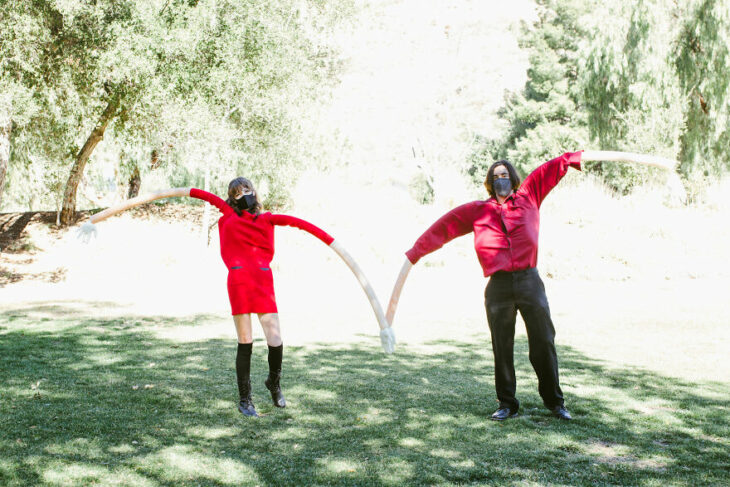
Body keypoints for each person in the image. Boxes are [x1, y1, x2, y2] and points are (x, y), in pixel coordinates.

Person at [404, 151, 583, 421]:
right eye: (495, 176)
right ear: (489, 182)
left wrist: (575, 157)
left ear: (513, 178)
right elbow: (444, 228)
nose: (501, 179)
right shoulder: (478, 211)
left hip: (529, 281)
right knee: (502, 346)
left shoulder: (529, 196)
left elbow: (550, 168)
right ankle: (507, 404)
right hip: (498, 287)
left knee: (543, 341)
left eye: (505, 175)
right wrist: (414, 254)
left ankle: (555, 402)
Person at [189, 178, 334, 417]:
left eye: (247, 190)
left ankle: (274, 383)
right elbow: (206, 196)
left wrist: (330, 240)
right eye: (238, 193)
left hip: (262, 281)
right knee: (245, 340)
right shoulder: (229, 215)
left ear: (254, 192)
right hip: (239, 281)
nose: (245, 194)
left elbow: (298, 223)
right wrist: (188, 191)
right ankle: (245, 400)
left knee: (274, 338)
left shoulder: (266, 218)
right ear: (231, 198)